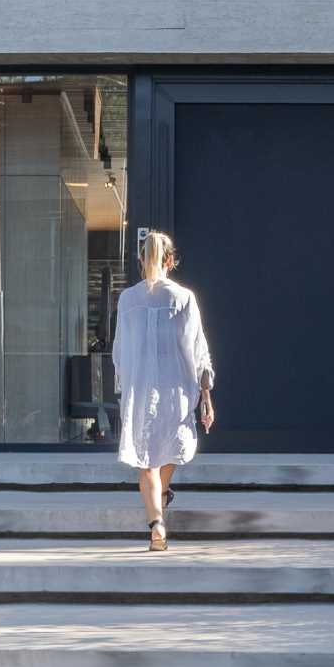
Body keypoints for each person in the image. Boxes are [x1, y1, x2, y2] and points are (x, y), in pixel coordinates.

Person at [112, 228, 215, 551]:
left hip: (141, 388)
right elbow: (197, 350)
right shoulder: (183, 298)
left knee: (147, 461)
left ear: (142, 260)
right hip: (176, 389)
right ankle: (159, 505)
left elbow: (119, 351)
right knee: (171, 450)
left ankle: (157, 522)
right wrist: (207, 397)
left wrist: (122, 387)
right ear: (171, 260)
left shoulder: (128, 299)